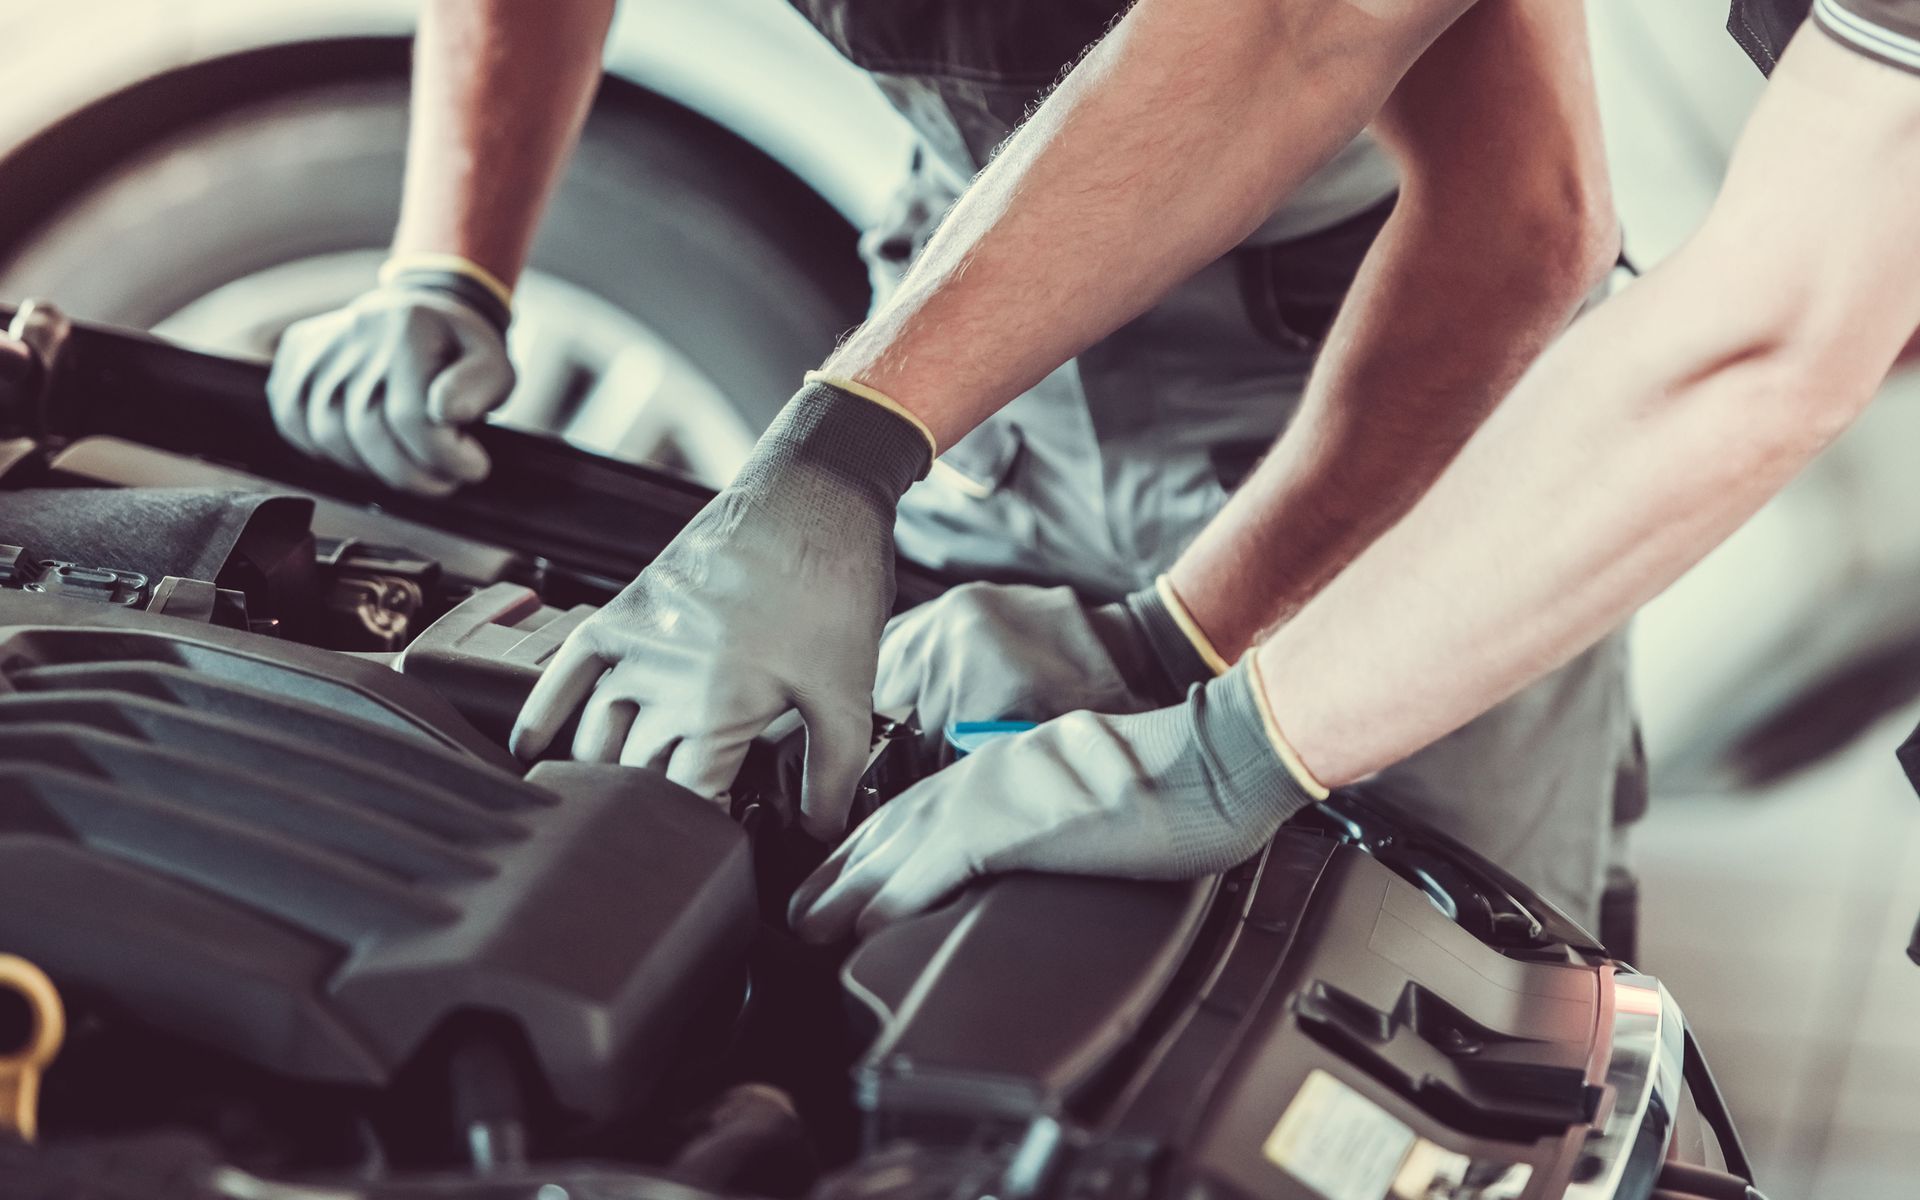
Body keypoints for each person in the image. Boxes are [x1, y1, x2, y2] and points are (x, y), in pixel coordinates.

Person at [268, 0, 1638, 926]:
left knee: (1400, 964)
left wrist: (1170, 642)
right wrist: (453, 259)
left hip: (1405, 360)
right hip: (989, 316)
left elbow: (1517, 216)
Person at [792, 0, 1920, 940]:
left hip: (1364, 344)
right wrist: (827, 462)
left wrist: (1225, 746)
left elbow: (1768, 339)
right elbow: (1302, 25)